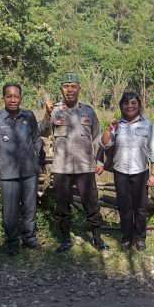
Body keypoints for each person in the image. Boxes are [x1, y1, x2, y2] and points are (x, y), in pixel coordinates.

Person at [39, 72, 108, 253]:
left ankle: (97, 238)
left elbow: (97, 139)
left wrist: (100, 161)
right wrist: (46, 115)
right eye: (66, 86)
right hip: (62, 167)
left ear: (79, 88)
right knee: (62, 205)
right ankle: (65, 239)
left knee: (91, 203)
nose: (70, 90)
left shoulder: (88, 111)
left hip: (85, 166)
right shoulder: (54, 110)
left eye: (73, 86)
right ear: (61, 89)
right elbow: (43, 132)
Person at [0, 82, 43, 255]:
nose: (13, 100)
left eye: (16, 96)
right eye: (9, 96)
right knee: (10, 211)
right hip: (9, 173)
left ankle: (29, 238)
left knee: (30, 207)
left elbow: (37, 138)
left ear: (21, 98)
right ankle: (12, 242)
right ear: (4, 98)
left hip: (29, 171)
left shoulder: (28, 116)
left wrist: (39, 161)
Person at [100, 91, 154, 251]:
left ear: (139, 105)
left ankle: (140, 238)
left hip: (141, 171)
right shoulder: (117, 125)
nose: (130, 106)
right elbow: (105, 144)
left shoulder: (148, 125)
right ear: (121, 106)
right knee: (124, 206)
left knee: (140, 207)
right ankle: (126, 237)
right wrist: (108, 129)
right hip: (120, 172)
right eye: (126, 103)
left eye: (133, 103)